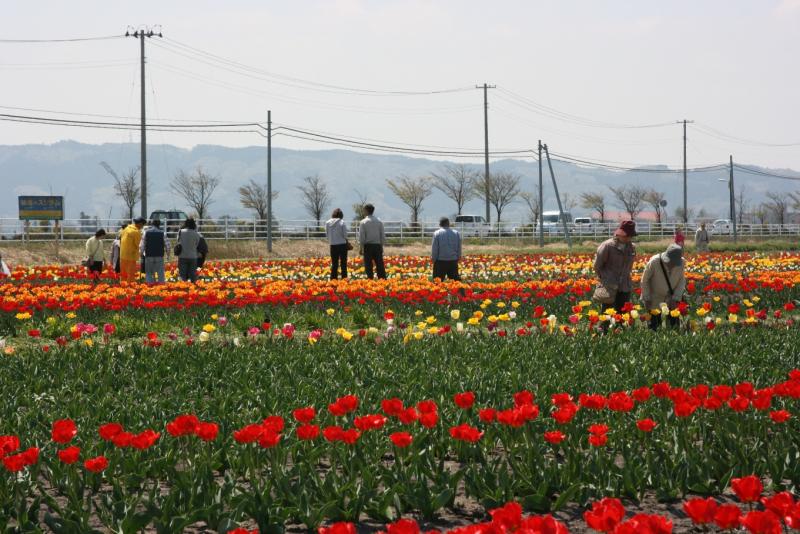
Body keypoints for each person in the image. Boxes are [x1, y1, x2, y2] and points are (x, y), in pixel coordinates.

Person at [593, 220, 637, 310]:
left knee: (622, 313)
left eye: (630, 236)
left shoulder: (631, 247)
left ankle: (619, 324)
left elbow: (630, 266)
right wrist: (604, 278)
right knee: (607, 313)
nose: (628, 238)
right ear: (619, 234)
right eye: (626, 235)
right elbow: (597, 266)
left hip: (625, 285)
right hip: (609, 285)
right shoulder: (607, 246)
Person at [640, 244, 686, 330]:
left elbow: (681, 281)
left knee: (673, 327)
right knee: (655, 326)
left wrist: (676, 297)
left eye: (675, 263)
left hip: (671, 300)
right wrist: (646, 297)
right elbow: (644, 280)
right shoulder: (655, 262)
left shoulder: (682, 263)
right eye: (671, 262)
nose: (673, 265)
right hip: (654, 299)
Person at [358, 203, 386, 279]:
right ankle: (382, 280)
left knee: (368, 265)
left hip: (368, 246)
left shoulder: (363, 222)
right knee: (379, 264)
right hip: (377, 245)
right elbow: (382, 235)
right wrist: (382, 246)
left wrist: (361, 248)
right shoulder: (379, 221)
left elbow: (362, 237)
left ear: (366, 210)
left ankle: (370, 280)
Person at [139, 219, 171, 284]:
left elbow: (141, 246)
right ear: (159, 225)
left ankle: (150, 288)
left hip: (149, 256)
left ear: (151, 224)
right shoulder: (163, 233)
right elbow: (168, 246)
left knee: (149, 273)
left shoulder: (146, 233)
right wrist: (168, 255)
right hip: (159, 256)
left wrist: (141, 255)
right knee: (160, 273)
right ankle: (161, 288)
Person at [431, 217, 462, 281]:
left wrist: (434, 259)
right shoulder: (456, 233)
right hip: (453, 261)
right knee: (455, 283)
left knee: (438, 282)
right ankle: (459, 291)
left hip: (440, 261)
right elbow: (459, 247)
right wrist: (458, 257)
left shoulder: (437, 233)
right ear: (448, 224)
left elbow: (435, 248)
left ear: (440, 224)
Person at [325, 208, 349, 279]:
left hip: (333, 245)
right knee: (343, 263)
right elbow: (345, 235)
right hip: (342, 245)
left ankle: (333, 280)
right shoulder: (342, 222)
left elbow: (327, 234)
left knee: (334, 264)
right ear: (341, 215)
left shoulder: (328, 223)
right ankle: (344, 279)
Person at [119, 217, 145, 282]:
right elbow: (139, 244)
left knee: (123, 273)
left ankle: (122, 287)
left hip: (122, 255)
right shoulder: (136, 232)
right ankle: (130, 288)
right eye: (142, 225)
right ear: (140, 224)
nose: (142, 227)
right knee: (130, 274)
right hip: (131, 256)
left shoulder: (126, 229)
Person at [176, 218, 202, 283]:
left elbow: (178, 241)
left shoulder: (181, 232)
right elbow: (197, 244)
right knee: (193, 275)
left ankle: (183, 288)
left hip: (182, 255)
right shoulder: (196, 234)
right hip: (193, 256)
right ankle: (194, 289)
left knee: (182, 275)